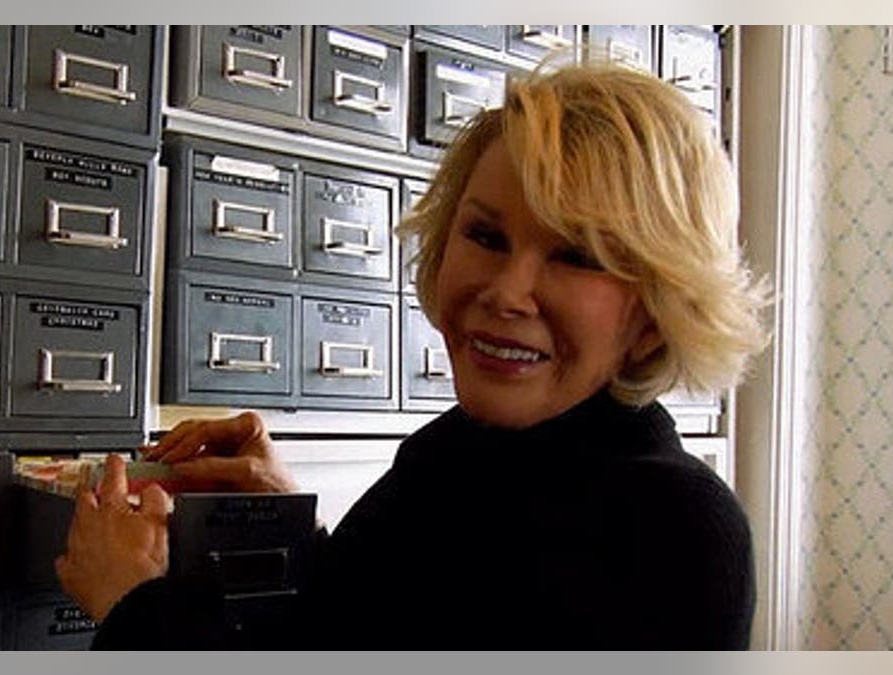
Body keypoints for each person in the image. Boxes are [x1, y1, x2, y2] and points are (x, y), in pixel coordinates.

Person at [55, 61, 771, 649]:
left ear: (655, 311)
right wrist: (286, 523)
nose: (506, 291)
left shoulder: (677, 531)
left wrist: (134, 605)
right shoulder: (455, 454)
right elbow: (361, 629)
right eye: (486, 237)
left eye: (575, 256)